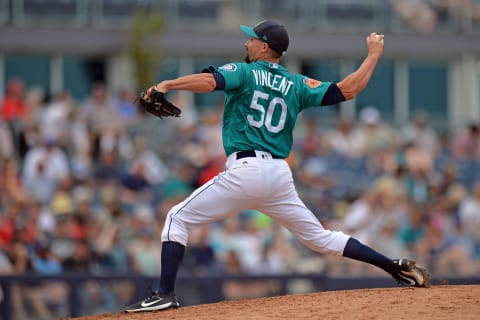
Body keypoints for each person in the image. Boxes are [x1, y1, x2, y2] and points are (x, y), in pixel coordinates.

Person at [124, 20, 430, 313]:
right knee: (319, 239)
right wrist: (373, 55)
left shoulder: (245, 72)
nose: (246, 41)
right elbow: (347, 90)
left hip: (247, 170)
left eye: (252, 38)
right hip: (278, 176)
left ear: (264, 47)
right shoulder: (296, 83)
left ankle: (164, 294)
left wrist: (168, 83)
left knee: (176, 218)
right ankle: (394, 267)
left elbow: (210, 81)